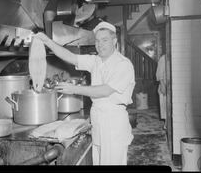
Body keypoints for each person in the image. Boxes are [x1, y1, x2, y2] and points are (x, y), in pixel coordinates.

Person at [33, 21, 135, 165]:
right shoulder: (96, 61)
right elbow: (70, 57)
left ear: (115, 41)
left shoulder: (123, 64)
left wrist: (74, 89)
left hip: (113, 123)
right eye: (97, 41)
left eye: (105, 40)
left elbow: (105, 90)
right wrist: (47, 41)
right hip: (98, 121)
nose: (100, 45)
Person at [156, 54, 167, 130]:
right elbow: (160, 73)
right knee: (165, 105)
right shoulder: (163, 58)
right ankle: (167, 124)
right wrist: (162, 85)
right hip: (165, 85)